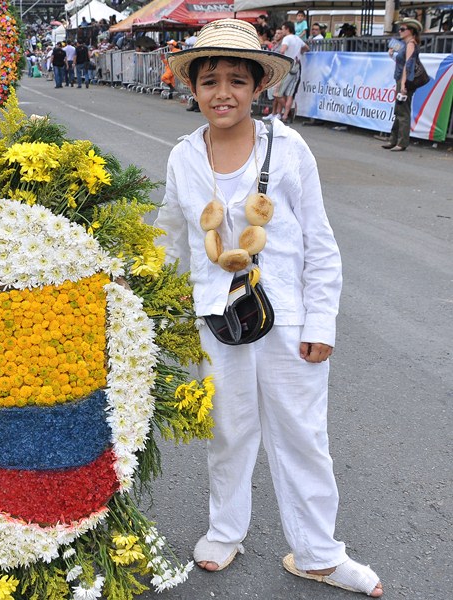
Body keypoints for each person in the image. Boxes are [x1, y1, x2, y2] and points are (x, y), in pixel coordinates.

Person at [158, 19, 384, 598]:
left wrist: (322, 322)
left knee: (302, 434)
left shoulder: (288, 147)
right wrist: (151, 305)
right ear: (192, 87)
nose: (223, 93)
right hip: (216, 317)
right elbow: (170, 238)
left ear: (259, 86)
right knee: (229, 430)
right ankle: (225, 531)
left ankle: (318, 553)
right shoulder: (183, 157)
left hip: (288, 316)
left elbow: (319, 240)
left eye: (237, 80)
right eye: (210, 81)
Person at [382, 18, 423, 152]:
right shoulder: (405, 44)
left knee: (403, 111)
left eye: (402, 29)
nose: (400, 31)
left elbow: (408, 65)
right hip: (401, 79)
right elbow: (402, 62)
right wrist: (392, 55)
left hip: (405, 80)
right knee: (399, 110)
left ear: (410, 31)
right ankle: (394, 140)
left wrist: (404, 84)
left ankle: (401, 142)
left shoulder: (410, 44)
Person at [271, 21, 308, 121]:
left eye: (283, 29)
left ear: (287, 29)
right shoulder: (298, 39)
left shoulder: (287, 38)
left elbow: (282, 50)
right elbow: (307, 48)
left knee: (277, 93)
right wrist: (300, 52)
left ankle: (289, 111)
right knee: (289, 94)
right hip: (296, 68)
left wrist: (280, 58)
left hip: (287, 67)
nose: (282, 31)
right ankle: (285, 115)